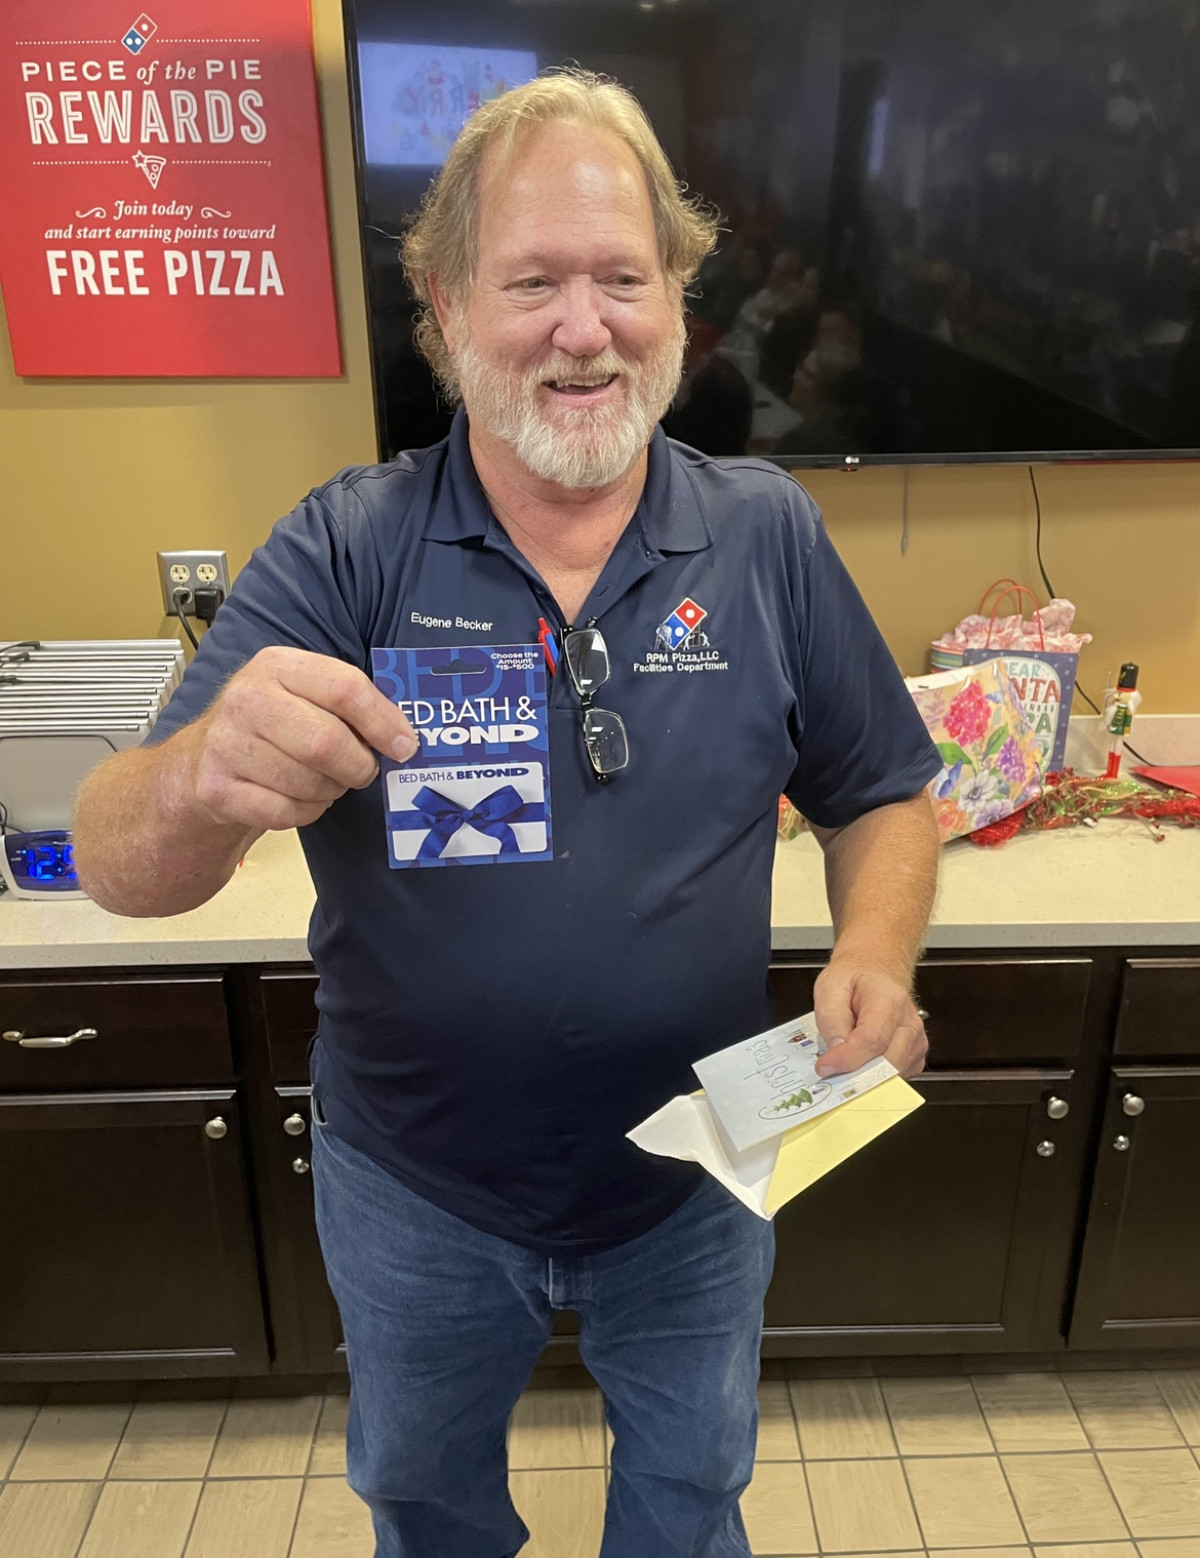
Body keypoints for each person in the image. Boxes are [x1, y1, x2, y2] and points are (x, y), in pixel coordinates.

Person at [74, 70, 941, 1558]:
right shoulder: (346, 547)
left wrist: (877, 948)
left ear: (679, 294)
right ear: (446, 306)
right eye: (532, 281)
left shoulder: (768, 537)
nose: (583, 328)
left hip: (701, 1172)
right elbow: (114, 858)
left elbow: (885, 794)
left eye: (623, 277)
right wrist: (205, 767)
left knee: (690, 1497)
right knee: (424, 1502)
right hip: (415, 1187)